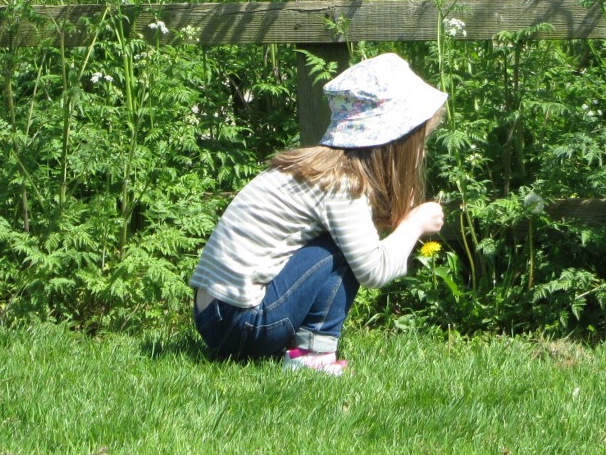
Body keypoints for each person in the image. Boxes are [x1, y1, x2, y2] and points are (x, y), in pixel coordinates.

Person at [190, 53, 447, 375]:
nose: (422, 151)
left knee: (337, 245)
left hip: (215, 317)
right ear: (397, 142)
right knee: (338, 251)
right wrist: (414, 224)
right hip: (241, 325)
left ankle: (306, 349)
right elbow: (374, 271)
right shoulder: (341, 185)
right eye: (420, 141)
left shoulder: (316, 171)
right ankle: (313, 356)